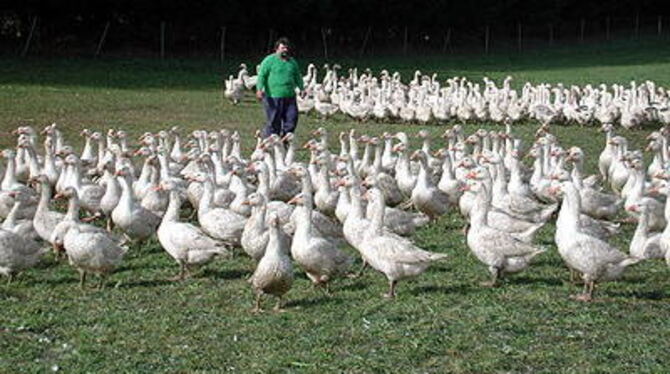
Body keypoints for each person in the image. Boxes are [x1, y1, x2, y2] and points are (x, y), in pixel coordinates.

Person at [255, 37, 304, 139]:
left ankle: (286, 141)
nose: (285, 50)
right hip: (273, 97)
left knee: (291, 119)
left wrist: (302, 88)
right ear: (276, 49)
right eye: (282, 48)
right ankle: (271, 142)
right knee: (273, 121)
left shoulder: (292, 62)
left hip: (290, 97)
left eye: (286, 48)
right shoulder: (269, 61)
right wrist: (259, 89)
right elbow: (261, 76)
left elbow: (297, 76)